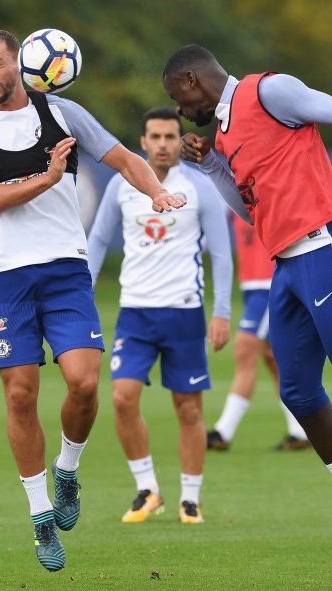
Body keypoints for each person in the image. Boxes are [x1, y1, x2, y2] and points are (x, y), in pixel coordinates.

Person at [162, 44, 332, 583]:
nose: (179, 110)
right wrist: (211, 165)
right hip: (287, 263)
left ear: (194, 80)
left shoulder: (266, 91)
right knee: (297, 392)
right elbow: (250, 209)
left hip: (326, 244)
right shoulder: (225, 135)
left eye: (177, 97)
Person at [0, 30, 185, 572]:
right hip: (5, 277)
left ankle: (68, 469)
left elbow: (124, 158)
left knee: (83, 382)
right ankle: (40, 517)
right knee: (20, 396)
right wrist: (50, 176)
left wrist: (157, 191)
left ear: (20, 62)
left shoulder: (63, 114)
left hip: (64, 269)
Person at [88, 107, 232, 525]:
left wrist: (221, 312)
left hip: (184, 312)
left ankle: (190, 498)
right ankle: (148, 489)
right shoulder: (121, 184)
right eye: (156, 137)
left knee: (188, 409)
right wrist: (82, 293)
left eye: (171, 136)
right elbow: (97, 241)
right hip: (135, 313)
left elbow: (222, 254)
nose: (163, 144)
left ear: (180, 142)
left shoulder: (200, 187)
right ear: (143, 142)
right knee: (122, 398)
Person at [207, 214, 311, 452]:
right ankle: (300, 432)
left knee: (245, 348)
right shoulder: (231, 196)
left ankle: (223, 431)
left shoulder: (268, 193)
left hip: (270, 283)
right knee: (274, 359)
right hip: (251, 283)